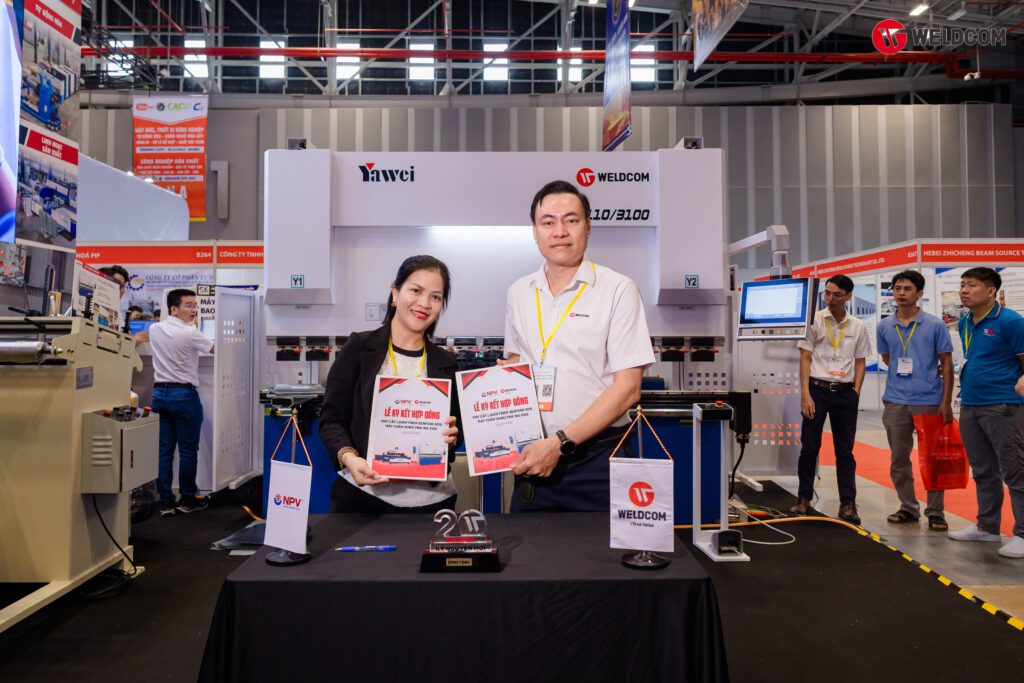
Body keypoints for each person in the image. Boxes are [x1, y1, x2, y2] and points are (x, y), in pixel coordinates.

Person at [502, 180, 655, 512]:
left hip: (598, 460)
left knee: (601, 547)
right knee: (528, 544)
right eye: (548, 222)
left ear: (587, 227)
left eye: (570, 220)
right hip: (534, 459)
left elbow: (628, 389)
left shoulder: (618, 289)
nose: (560, 231)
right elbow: (515, 363)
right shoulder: (519, 292)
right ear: (535, 231)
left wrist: (559, 444)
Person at [319, 255, 461, 514]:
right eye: (416, 291)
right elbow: (331, 420)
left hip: (431, 504)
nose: (424, 303)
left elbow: (454, 434)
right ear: (395, 293)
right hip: (362, 499)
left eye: (435, 297)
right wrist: (350, 458)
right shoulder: (360, 348)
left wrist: (451, 438)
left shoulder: (446, 362)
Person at [950, 267, 1024, 559]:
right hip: (970, 403)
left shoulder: (1011, 321)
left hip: (1003, 405)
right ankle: (987, 526)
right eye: (962, 285)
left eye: (971, 285)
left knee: (1015, 470)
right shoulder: (966, 321)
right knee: (983, 470)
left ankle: (1023, 533)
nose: (964, 290)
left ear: (991, 290)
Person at [877, 270, 953, 531]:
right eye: (897, 288)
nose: (901, 293)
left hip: (929, 401)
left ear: (919, 293)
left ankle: (936, 512)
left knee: (933, 459)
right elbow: (887, 358)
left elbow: (946, 362)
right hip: (895, 401)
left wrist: (946, 401)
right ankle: (908, 507)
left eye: (907, 288)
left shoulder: (935, 325)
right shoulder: (885, 326)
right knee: (899, 459)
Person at [792, 274, 871, 524]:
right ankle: (803, 499)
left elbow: (860, 362)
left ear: (848, 296)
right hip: (817, 390)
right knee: (809, 447)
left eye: (837, 294)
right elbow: (805, 358)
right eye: (827, 293)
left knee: (845, 451)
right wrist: (805, 394)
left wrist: (856, 392)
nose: (830, 298)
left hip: (846, 393)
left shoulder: (857, 326)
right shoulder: (814, 321)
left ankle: (848, 504)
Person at [148, 288, 214, 516]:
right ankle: (187, 499)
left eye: (195, 305)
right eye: (188, 305)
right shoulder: (191, 333)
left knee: (164, 451)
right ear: (174, 309)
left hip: (159, 395)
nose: (194, 310)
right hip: (184, 395)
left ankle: (166, 503)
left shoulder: (155, 329)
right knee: (188, 451)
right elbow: (218, 349)